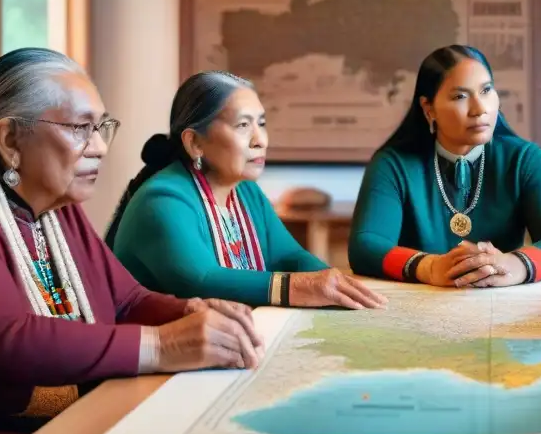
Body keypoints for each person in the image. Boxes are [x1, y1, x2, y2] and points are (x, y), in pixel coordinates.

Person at [0, 49, 264, 434]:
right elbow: (8, 338)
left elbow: (126, 300)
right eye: (80, 129)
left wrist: (190, 310)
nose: (98, 147)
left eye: (101, 127)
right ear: (11, 138)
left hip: (75, 417)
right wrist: (163, 345)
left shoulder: (58, 209)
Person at [105, 71, 386, 311]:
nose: (260, 140)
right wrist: (301, 287)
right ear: (195, 143)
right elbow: (202, 281)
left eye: (261, 123)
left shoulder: (246, 192)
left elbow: (290, 256)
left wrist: (331, 280)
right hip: (160, 357)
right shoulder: (162, 200)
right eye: (242, 125)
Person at [348, 45, 541, 287]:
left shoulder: (524, 159)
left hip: (499, 304)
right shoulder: (393, 164)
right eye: (460, 96)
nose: (480, 109)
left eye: (486, 90)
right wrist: (429, 267)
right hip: (421, 305)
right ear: (429, 108)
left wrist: (515, 265)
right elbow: (365, 246)